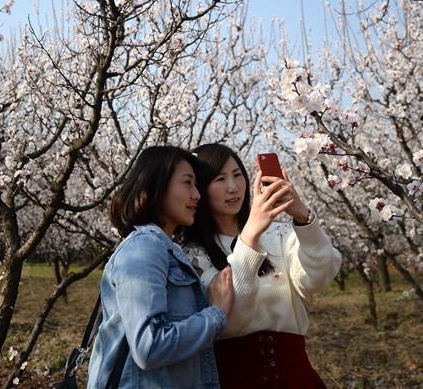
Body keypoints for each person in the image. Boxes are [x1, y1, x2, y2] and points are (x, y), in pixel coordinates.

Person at [183, 143, 342, 389]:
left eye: (238, 175)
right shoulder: (193, 255)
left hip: (298, 379)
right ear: (200, 189)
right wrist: (250, 236)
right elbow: (229, 320)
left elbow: (317, 279)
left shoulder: (278, 234)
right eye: (219, 179)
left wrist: (302, 218)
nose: (233, 187)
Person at [87, 145, 235, 388]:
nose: (197, 195)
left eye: (196, 185)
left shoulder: (166, 249)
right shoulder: (144, 248)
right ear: (156, 186)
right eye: (187, 183)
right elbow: (149, 347)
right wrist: (215, 315)